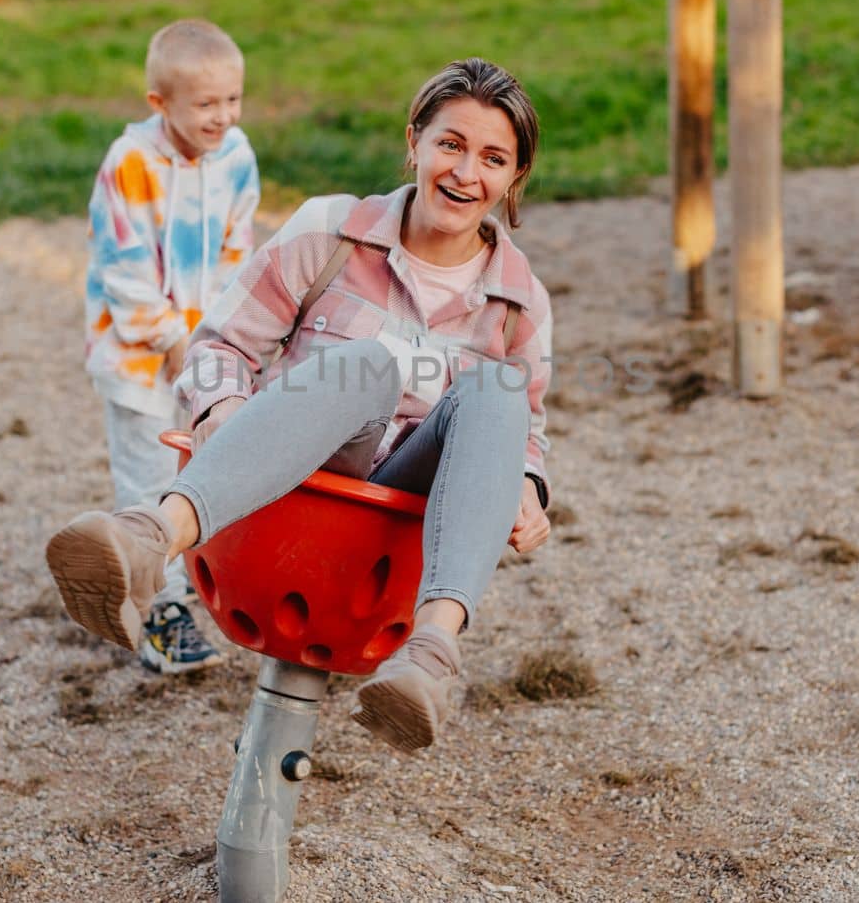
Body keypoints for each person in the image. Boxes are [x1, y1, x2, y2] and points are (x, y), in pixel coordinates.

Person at [48, 57, 553, 750]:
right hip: (285, 493)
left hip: (392, 544)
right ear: (415, 143)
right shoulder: (330, 233)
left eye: (493, 158)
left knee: (497, 393)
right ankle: (148, 539)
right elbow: (221, 345)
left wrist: (524, 484)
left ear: (514, 178)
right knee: (368, 364)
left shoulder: (519, 302)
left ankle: (432, 661)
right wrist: (227, 417)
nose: (467, 173)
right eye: (451, 145)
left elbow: (531, 433)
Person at [80, 18, 259, 673]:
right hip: (138, 356)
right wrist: (170, 336)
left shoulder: (236, 156)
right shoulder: (130, 165)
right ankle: (159, 613)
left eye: (233, 100)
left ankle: (197, 584)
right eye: (206, 104)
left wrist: (223, 332)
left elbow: (240, 251)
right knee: (149, 478)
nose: (223, 116)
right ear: (160, 104)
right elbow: (120, 270)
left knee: (205, 468)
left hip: (207, 348)